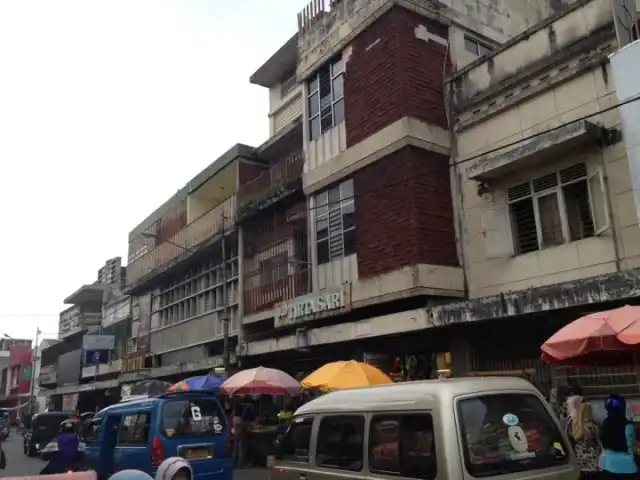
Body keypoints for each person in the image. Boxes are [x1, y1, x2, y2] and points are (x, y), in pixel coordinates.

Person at [600, 394, 638, 478]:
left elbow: (602, 445)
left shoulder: (604, 424)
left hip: (607, 465)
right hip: (628, 467)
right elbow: (631, 446)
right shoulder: (628, 425)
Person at [568, 400, 600, 479]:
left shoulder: (572, 426)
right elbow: (598, 442)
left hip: (578, 462)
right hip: (592, 463)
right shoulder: (592, 426)